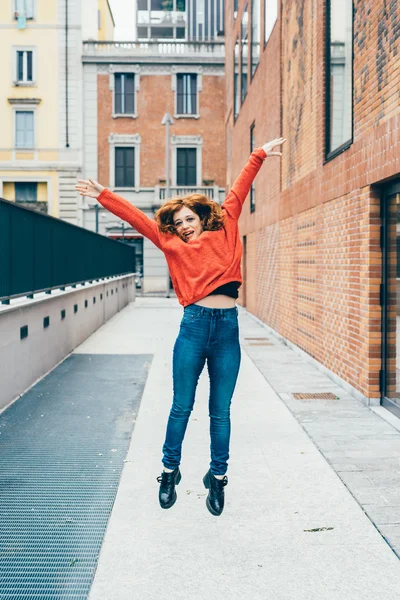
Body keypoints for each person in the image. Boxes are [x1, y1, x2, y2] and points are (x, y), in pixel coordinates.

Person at [75, 137, 286, 516]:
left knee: (220, 411)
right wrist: (102, 194)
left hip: (226, 330)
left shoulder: (226, 228)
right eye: (178, 223)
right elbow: (136, 219)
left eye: (189, 219)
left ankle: (217, 479)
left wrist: (259, 154)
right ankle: (169, 472)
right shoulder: (172, 245)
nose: (184, 226)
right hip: (192, 327)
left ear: (202, 218)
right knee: (181, 406)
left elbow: (239, 188)